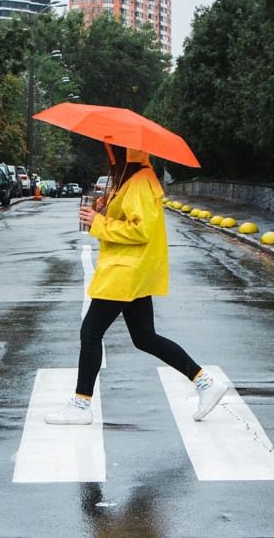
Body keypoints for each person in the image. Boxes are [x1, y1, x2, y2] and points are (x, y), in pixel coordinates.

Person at [45, 145, 227, 425]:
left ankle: (81, 405)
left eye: (112, 152)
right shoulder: (133, 180)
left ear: (124, 153)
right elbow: (129, 221)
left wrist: (99, 222)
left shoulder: (140, 182)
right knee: (145, 338)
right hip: (130, 269)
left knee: (91, 332)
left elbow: (139, 230)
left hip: (124, 272)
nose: (109, 157)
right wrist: (104, 211)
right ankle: (205, 383)